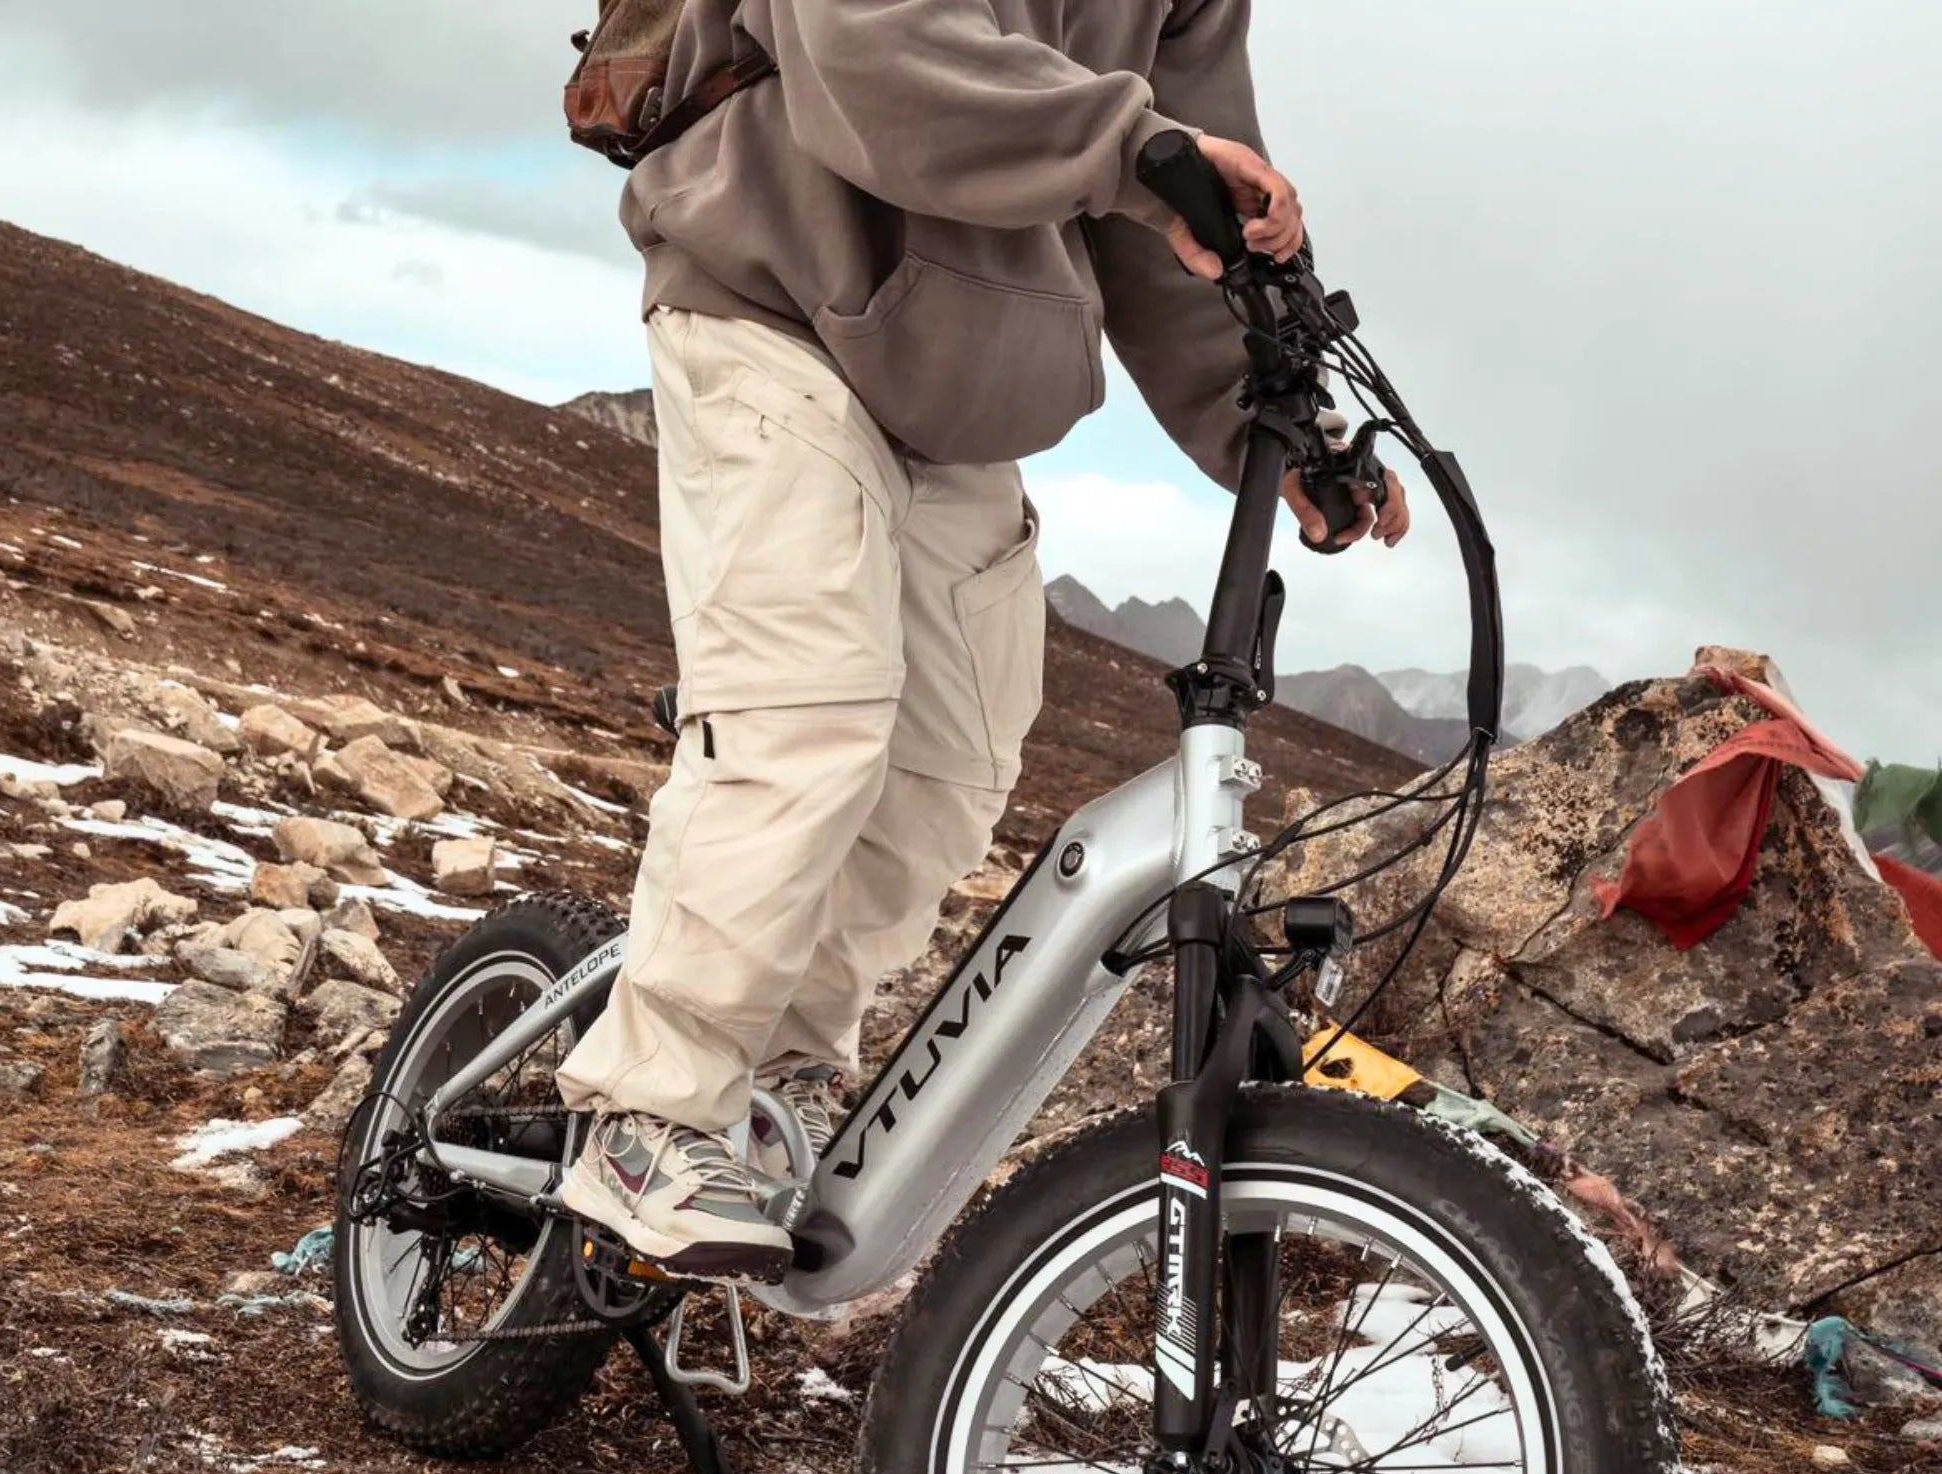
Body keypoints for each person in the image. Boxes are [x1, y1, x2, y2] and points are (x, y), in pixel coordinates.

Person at [554, 0, 1411, 1280]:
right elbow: (868, 51)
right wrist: (1134, 147)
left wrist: (1277, 425)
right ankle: (652, 1108)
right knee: (807, 716)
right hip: (770, 297)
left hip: (957, 390)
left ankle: (757, 1077)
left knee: (949, 773)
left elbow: (1178, 216)